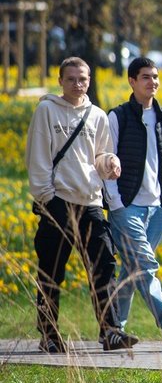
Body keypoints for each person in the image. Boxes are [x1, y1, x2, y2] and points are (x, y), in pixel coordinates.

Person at [26, 57, 139, 353]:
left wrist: (110, 163)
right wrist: (47, 198)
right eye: (72, 79)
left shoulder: (97, 115)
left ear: (89, 80)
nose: (78, 84)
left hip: (90, 202)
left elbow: (100, 156)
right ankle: (49, 334)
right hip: (58, 201)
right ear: (61, 81)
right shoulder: (46, 111)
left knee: (104, 266)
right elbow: (37, 160)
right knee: (52, 271)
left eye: (83, 79)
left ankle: (111, 331)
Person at [105, 57, 162, 349]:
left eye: (155, 77)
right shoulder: (117, 117)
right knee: (144, 264)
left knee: (131, 268)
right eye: (145, 77)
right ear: (131, 81)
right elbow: (106, 161)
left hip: (158, 208)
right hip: (126, 206)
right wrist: (114, 202)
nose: (152, 82)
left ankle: (112, 329)